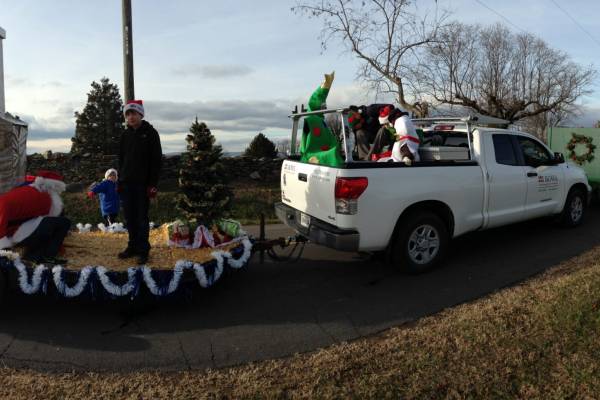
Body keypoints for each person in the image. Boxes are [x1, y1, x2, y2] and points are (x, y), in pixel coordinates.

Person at [118, 99, 162, 265]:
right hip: (126, 184)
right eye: (127, 114)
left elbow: (156, 161)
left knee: (142, 218)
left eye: (133, 113)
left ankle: (143, 250)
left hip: (143, 185)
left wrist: (152, 185)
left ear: (141, 114)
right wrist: (120, 181)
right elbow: (121, 160)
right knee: (129, 218)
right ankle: (132, 246)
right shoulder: (125, 135)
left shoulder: (151, 133)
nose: (130, 117)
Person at [0, 171, 71, 264]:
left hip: (12, 229)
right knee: (61, 223)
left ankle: (37, 255)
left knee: (47, 223)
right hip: (12, 232)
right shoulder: (46, 198)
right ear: (53, 186)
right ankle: (43, 257)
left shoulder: (30, 191)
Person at [299, 72, 344, 167]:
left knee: (334, 152)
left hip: (325, 149)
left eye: (325, 106)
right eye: (322, 106)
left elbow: (328, 139)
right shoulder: (311, 120)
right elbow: (305, 144)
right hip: (313, 153)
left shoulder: (321, 121)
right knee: (331, 155)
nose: (325, 108)